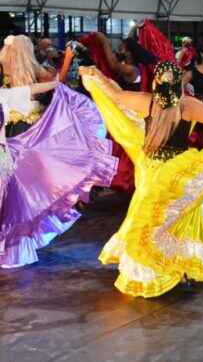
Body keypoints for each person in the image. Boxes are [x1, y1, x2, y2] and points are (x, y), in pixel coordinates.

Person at [79, 62, 203, 298]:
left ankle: (149, 270)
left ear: (156, 81)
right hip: (179, 171)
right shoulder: (188, 105)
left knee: (146, 219)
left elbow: (114, 94)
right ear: (180, 83)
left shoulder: (146, 101)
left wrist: (95, 75)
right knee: (182, 215)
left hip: (151, 169)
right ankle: (179, 264)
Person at [0, 76, 118, 268]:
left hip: (3, 157)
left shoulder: (4, 95)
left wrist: (57, 85)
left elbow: (31, 88)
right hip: (4, 155)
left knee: (10, 206)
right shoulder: (5, 95)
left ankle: (11, 251)